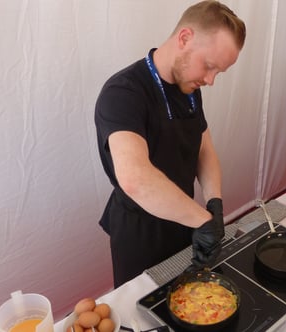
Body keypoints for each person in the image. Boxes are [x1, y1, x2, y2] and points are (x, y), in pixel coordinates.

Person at [94, 0, 246, 288]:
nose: (211, 80)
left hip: (185, 221)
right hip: (140, 234)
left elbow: (204, 148)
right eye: (210, 66)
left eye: (219, 73)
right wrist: (203, 221)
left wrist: (214, 204)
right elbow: (135, 178)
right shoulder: (123, 93)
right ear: (185, 38)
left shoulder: (189, 88)